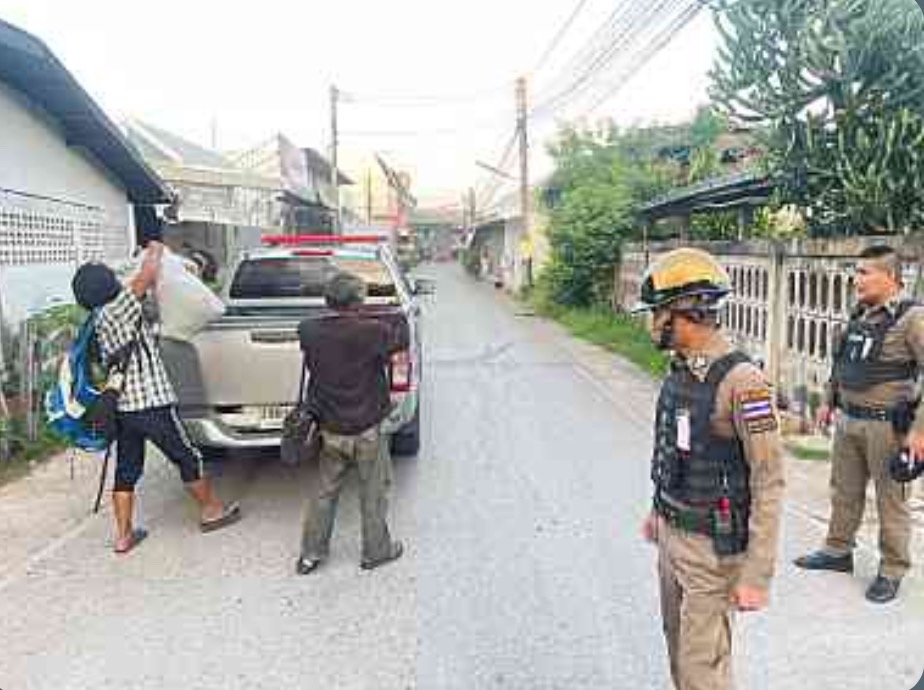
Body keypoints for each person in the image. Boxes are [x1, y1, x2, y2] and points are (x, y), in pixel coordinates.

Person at [634, 248, 785, 690]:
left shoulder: (743, 382)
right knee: (679, 652)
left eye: (658, 313)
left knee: (702, 670)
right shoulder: (681, 371)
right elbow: (675, 452)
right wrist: (658, 510)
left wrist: (756, 575)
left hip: (711, 553)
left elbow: (769, 480)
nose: (651, 323)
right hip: (672, 534)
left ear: (689, 313)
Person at [71, 239, 241, 555]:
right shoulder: (117, 308)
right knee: (188, 457)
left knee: (126, 471)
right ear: (106, 285)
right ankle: (211, 511)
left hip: (123, 409)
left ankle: (124, 536)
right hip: (151, 403)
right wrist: (156, 249)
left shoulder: (98, 318)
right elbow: (147, 275)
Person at [795, 245, 924, 603]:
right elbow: (842, 362)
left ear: (891, 276)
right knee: (844, 491)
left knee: (890, 500)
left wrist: (919, 432)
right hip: (848, 420)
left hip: (887, 427)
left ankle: (892, 569)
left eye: (865, 272)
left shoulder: (912, 318)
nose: (857, 280)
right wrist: (828, 401)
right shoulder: (860, 314)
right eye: (856, 272)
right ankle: (837, 550)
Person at [295, 272, 408, 575]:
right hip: (367, 427)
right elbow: (401, 335)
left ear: (327, 300)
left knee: (324, 493)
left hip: (331, 427)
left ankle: (310, 555)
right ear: (358, 301)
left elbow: (322, 329)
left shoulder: (308, 330)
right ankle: (376, 551)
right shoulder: (372, 331)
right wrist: (382, 311)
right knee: (373, 492)